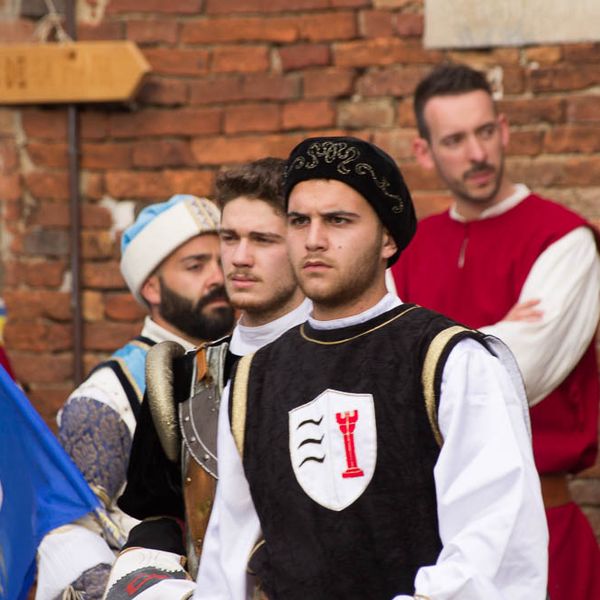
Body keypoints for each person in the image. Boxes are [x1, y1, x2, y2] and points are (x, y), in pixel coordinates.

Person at [185, 136, 547, 600]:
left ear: (387, 239)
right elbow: (226, 564)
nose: (314, 240)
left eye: (338, 220)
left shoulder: (452, 361)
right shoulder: (253, 380)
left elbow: (492, 547)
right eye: (299, 221)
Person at [391, 63, 600, 600]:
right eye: (455, 140)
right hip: (428, 540)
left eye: (485, 132)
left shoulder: (565, 240)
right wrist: (492, 337)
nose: (477, 153)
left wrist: (411, 358)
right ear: (424, 152)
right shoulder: (407, 252)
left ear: (504, 130)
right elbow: (372, 378)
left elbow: (520, 371)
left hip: (543, 534)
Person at [102, 158, 311, 598]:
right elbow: (157, 523)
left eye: (262, 239)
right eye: (229, 238)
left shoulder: (348, 361)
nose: (238, 258)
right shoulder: (179, 380)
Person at [35, 195, 235, 600]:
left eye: (222, 260)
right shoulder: (105, 398)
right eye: (195, 266)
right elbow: (68, 532)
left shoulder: (242, 363)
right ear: (151, 287)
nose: (218, 277)